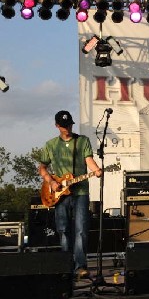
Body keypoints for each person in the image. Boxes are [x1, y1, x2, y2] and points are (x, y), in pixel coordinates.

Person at [38, 110, 102, 279]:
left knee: (81, 230)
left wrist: (96, 170)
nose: (67, 128)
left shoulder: (82, 141)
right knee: (63, 229)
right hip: (59, 194)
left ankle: (80, 266)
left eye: (69, 125)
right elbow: (42, 167)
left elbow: (88, 160)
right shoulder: (51, 145)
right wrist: (51, 182)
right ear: (57, 126)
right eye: (64, 126)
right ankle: (66, 264)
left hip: (80, 192)